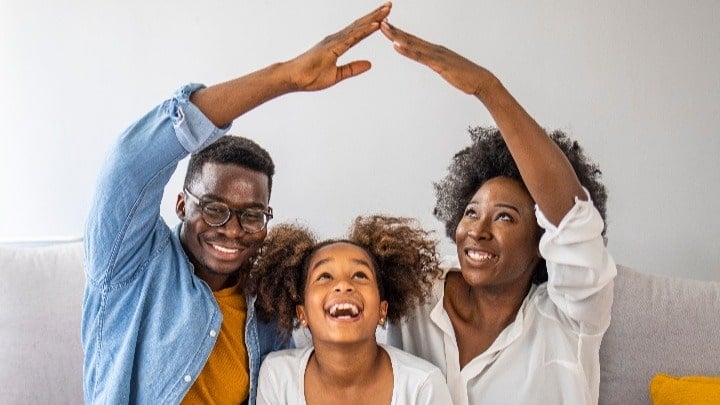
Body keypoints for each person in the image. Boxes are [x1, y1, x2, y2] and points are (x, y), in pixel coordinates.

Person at [81, 3, 393, 404]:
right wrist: (287, 77)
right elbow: (128, 166)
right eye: (213, 208)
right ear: (181, 205)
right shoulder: (131, 262)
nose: (231, 229)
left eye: (251, 216)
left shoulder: (269, 306)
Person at [381, 21, 617, 405]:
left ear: (543, 240)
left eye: (505, 217)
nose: (478, 231)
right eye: (471, 213)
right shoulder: (414, 291)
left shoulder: (571, 319)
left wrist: (487, 89)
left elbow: (574, 223)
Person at [251, 215, 452, 405]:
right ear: (302, 314)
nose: (343, 285)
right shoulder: (278, 376)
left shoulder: (423, 386)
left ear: (382, 310)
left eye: (360, 275)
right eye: (324, 276)